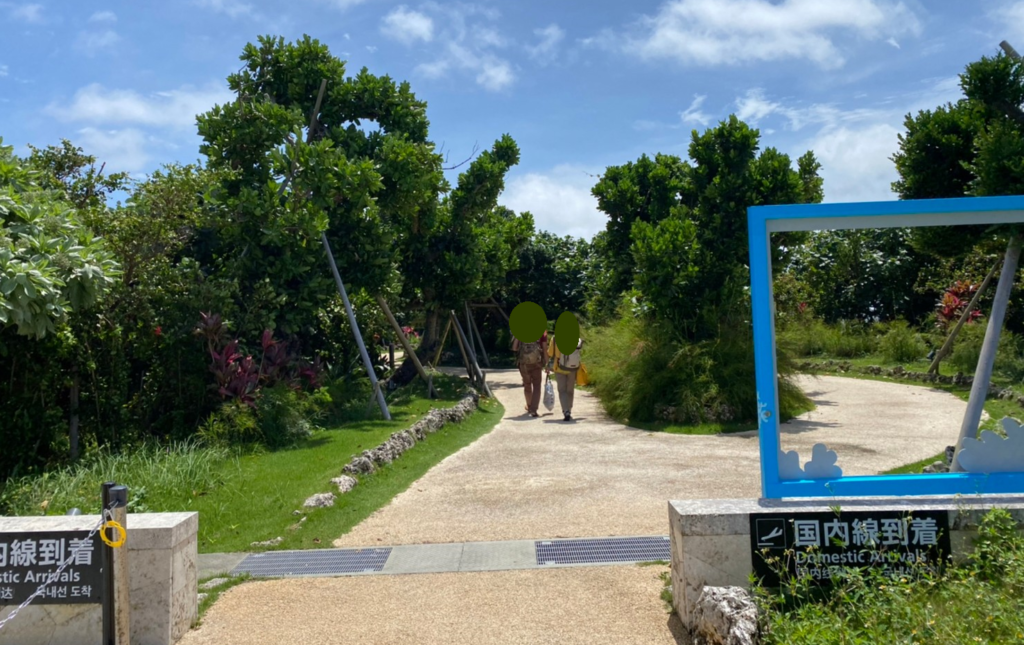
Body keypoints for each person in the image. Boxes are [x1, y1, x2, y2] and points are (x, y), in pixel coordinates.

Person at [547, 334, 583, 421]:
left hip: (559, 367)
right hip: (572, 367)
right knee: (570, 390)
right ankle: (569, 410)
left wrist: (548, 364)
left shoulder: (555, 338)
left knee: (562, 390)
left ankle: (566, 410)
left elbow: (550, 353)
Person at [512, 331, 548, 417]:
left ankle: (529, 406)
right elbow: (545, 348)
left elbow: (514, 348)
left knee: (527, 385)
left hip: (524, 363)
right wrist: (547, 363)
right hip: (537, 362)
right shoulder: (542, 331)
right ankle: (534, 410)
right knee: (537, 386)